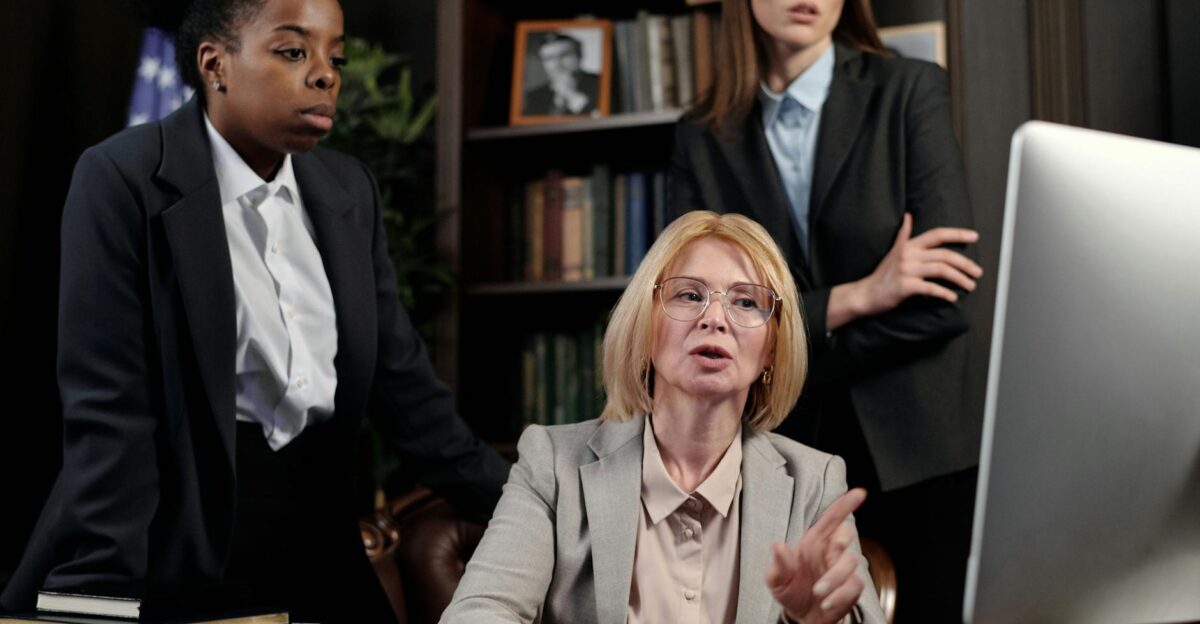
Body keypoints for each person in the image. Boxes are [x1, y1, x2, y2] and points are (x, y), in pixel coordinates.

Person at [0, 0, 509, 621]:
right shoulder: (121, 178)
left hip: (321, 552)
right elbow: (111, 416)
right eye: (294, 51)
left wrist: (550, 509)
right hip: (178, 555)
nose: (326, 74)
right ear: (216, 64)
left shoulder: (348, 191)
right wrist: (98, 597)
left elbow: (408, 396)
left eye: (335, 56)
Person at [667, 1, 983, 621]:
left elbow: (945, 302)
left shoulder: (909, 91)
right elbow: (696, 312)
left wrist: (784, 341)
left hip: (923, 451)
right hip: (778, 451)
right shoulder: (701, 134)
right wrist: (859, 296)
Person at [441, 211, 886, 624]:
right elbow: (479, 612)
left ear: (770, 349)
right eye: (689, 295)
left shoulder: (814, 483)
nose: (715, 318)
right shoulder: (553, 464)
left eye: (747, 303)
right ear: (646, 327)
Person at [522, 31, 600, 116]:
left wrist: (573, 96)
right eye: (549, 58)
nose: (556, 64)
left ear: (580, 55)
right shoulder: (535, 96)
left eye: (564, 55)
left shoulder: (603, 83)